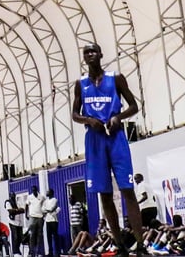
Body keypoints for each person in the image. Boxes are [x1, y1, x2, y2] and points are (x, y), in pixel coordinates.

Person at [70, 42, 147, 256]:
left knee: (127, 190)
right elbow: (75, 114)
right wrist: (88, 119)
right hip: (95, 139)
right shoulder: (81, 83)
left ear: (101, 54)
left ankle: (141, 245)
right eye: (86, 52)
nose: (90, 54)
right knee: (104, 195)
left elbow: (133, 105)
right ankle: (120, 246)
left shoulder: (116, 78)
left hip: (116, 137)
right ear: (83, 58)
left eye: (93, 51)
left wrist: (118, 116)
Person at [26, 188, 44, 256]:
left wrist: (43, 215)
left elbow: (44, 205)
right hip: (32, 217)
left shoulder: (41, 197)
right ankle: (31, 252)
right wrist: (26, 214)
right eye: (32, 190)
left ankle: (39, 252)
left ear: (37, 190)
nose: (33, 191)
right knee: (32, 235)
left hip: (40, 217)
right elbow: (26, 205)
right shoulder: (29, 197)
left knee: (40, 235)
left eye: (34, 190)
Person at [41, 190, 59, 257]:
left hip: (54, 220)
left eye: (48, 192)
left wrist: (46, 210)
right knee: (49, 237)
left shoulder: (55, 200)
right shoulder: (46, 201)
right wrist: (47, 210)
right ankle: (50, 252)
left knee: (55, 237)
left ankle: (57, 252)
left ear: (51, 193)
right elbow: (42, 209)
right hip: (47, 220)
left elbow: (51, 208)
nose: (46, 193)